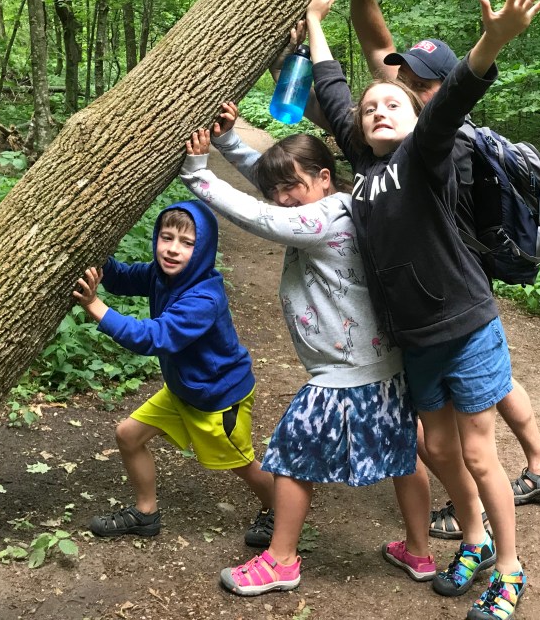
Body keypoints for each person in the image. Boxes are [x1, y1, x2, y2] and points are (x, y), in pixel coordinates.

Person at [305, 0, 540, 620]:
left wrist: (492, 43)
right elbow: (332, 91)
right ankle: (473, 538)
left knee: (476, 452)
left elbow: (453, 98)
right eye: (370, 108)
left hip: (465, 325)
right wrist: (315, 22)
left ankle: (509, 569)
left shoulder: (425, 155)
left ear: (416, 118)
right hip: (416, 340)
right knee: (436, 449)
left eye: (394, 103)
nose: (378, 110)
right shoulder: (367, 168)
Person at [349, 0, 540, 539]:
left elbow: (449, 88)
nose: (398, 82)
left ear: (438, 89)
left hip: (454, 281)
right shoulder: (417, 114)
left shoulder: (445, 140)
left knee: (469, 406)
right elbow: (379, 49)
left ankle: (477, 507)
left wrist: (492, 41)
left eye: (416, 80)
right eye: (403, 75)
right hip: (461, 280)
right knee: (495, 379)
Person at [178, 108, 433, 596]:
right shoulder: (341, 202)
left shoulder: (322, 219)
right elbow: (276, 185)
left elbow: (261, 215)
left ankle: (280, 560)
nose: (281, 196)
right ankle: (419, 552)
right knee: (403, 455)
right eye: (276, 188)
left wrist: (198, 175)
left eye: (292, 186)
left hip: (345, 371)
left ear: (323, 177)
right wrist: (229, 142)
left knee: (292, 455)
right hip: (382, 365)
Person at [72, 200, 276, 546]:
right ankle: (145, 513)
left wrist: (94, 305)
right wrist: (95, 254)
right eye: (166, 237)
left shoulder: (204, 299)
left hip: (217, 398)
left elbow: (153, 337)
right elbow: (120, 278)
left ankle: (280, 511)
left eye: (187, 242)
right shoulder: (160, 275)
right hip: (184, 389)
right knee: (128, 435)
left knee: (242, 464)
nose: (172, 249)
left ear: (204, 248)